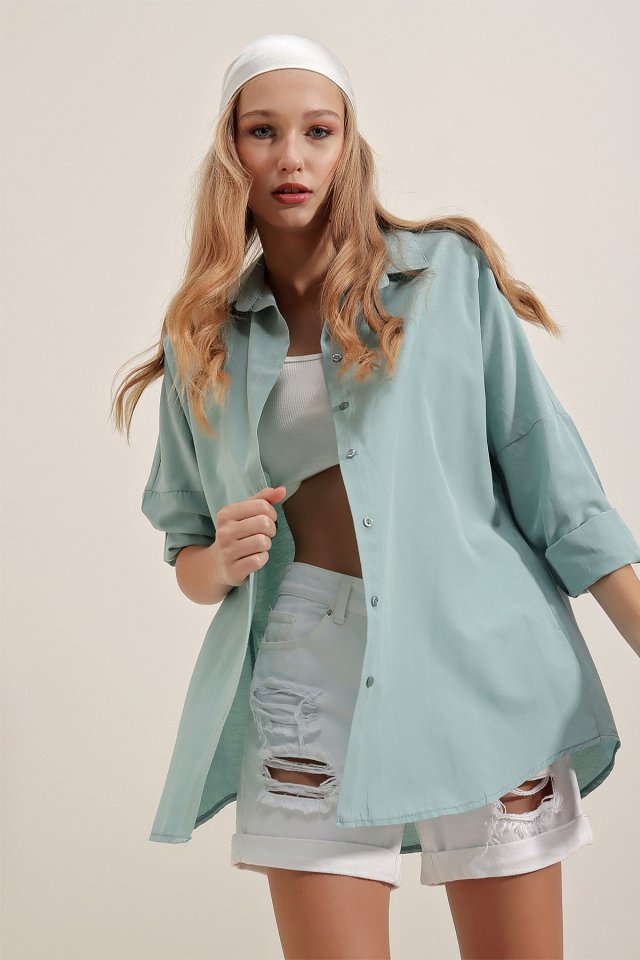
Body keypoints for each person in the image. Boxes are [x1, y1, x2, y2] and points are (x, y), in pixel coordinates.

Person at [111, 33, 640, 960]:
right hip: (308, 665)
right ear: (231, 150)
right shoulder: (202, 332)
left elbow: (559, 488)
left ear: (347, 144)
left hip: (480, 653)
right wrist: (218, 558)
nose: (291, 157)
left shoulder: (444, 276)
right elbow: (186, 553)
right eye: (263, 131)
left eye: (318, 131)